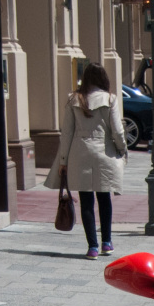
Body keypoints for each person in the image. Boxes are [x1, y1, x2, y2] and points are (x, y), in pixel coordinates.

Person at [46, 62, 128, 260]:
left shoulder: (75, 99)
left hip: (80, 153)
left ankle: (92, 246)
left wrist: (63, 160)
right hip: (104, 154)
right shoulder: (110, 99)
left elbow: (67, 133)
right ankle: (107, 242)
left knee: (86, 201)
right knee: (104, 198)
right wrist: (122, 148)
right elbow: (117, 130)